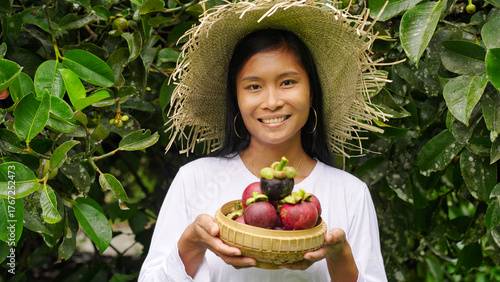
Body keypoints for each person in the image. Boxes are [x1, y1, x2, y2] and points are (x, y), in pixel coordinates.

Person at [140, 0, 389, 281]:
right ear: (236, 98)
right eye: (254, 86)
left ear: (311, 93)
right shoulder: (194, 180)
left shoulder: (351, 194)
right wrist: (193, 241)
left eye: (287, 82)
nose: (272, 102)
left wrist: (339, 254)